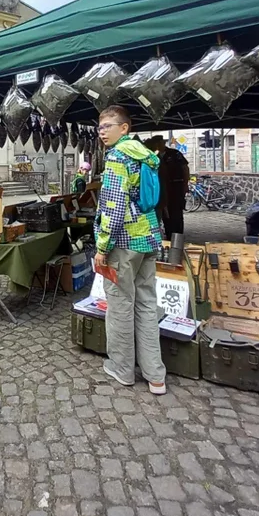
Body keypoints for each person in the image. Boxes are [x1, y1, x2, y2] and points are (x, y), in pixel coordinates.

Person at [93, 106, 167, 395]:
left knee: (121, 305)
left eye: (108, 126)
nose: (102, 132)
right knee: (148, 304)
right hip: (149, 236)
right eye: (100, 127)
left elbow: (112, 204)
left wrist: (102, 246)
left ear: (125, 128)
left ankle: (122, 369)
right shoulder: (146, 156)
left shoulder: (117, 157)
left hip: (123, 242)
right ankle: (155, 375)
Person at [149, 137, 191, 241]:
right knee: (164, 213)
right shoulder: (153, 155)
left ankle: (177, 237)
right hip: (162, 188)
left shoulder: (174, 153)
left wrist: (185, 185)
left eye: (160, 143)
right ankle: (168, 236)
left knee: (176, 213)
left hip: (175, 186)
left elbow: (185, 168)